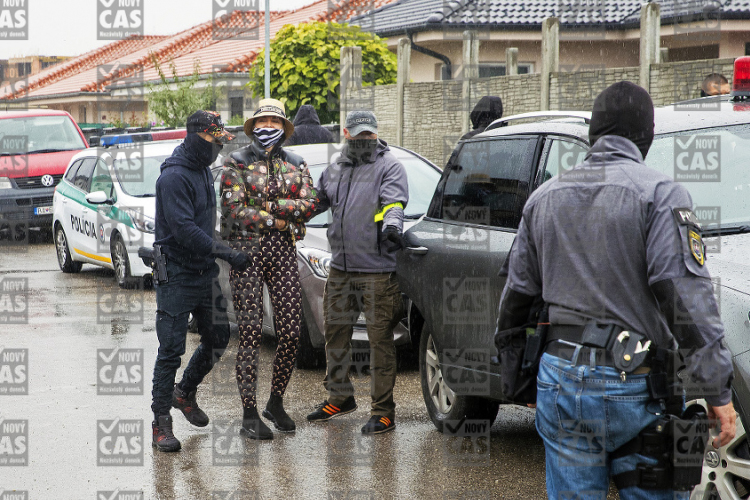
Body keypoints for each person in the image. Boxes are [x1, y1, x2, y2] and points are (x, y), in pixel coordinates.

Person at [496, 81, 736, 498]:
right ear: (645, 136)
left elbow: (516, 299)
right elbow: (682, 296)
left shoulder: (543, 198)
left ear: (594, 136)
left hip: (560, 381)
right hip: (635, 384)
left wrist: (519, 381)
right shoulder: (660, 194)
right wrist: (716, 388)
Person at [151, 110, 249, 453]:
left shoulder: (203, 171)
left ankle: (185, 391)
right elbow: (185, 230)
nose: (217, 148)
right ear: (194, 136)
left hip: (203, 269)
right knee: (171, 350)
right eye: (212, 140)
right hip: (175, 272)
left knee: (219, 336)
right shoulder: (173, 178)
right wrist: (226, 252)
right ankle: (161, 422)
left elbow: (209, 222)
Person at [220, 98, 318, 440]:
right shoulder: (236, 161)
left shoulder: (296, 161)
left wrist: (270, 206)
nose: (268, 128)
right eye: (263, 121)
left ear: (284, 127)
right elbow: (233, 210)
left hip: (283, 251)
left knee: (291, 332)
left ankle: (275, 402)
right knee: (248, 333)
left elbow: (310, 204)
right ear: (253, 124)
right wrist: (279, 218)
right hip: (245, 251)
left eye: (275, 123)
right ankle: (249, 413)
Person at [306, 110, 408, 435]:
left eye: (370, 135)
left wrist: (393, 226)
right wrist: (290, 211)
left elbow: (393, 203)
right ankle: (339, 396)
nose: (365, 140)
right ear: (347, 136)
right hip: (341, 268)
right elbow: (315, 201)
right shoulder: (335, 168)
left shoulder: (389, 166)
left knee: (380, 341)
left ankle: (383, 411)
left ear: (376, 135)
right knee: (333, 333)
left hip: (377, 271)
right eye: (359, 135)